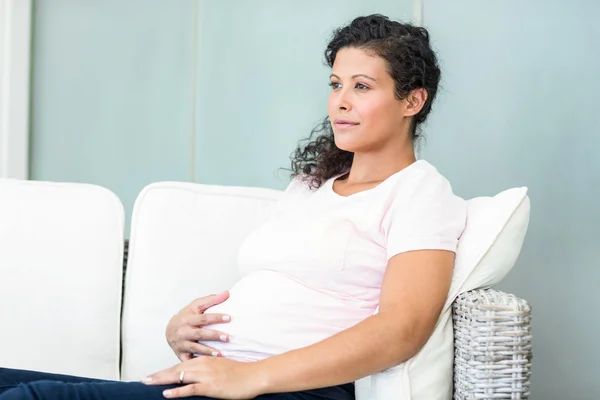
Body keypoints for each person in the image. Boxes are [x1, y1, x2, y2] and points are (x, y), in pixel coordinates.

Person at [0, 14, 466, 400]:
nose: (340, 102)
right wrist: (181, 332)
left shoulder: (419, 191)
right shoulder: (310, 187)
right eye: (336, 84)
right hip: (218, 380)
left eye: (362, 86)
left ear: (413, 100)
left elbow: (402, 329)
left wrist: (250, 376)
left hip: (292, 392)